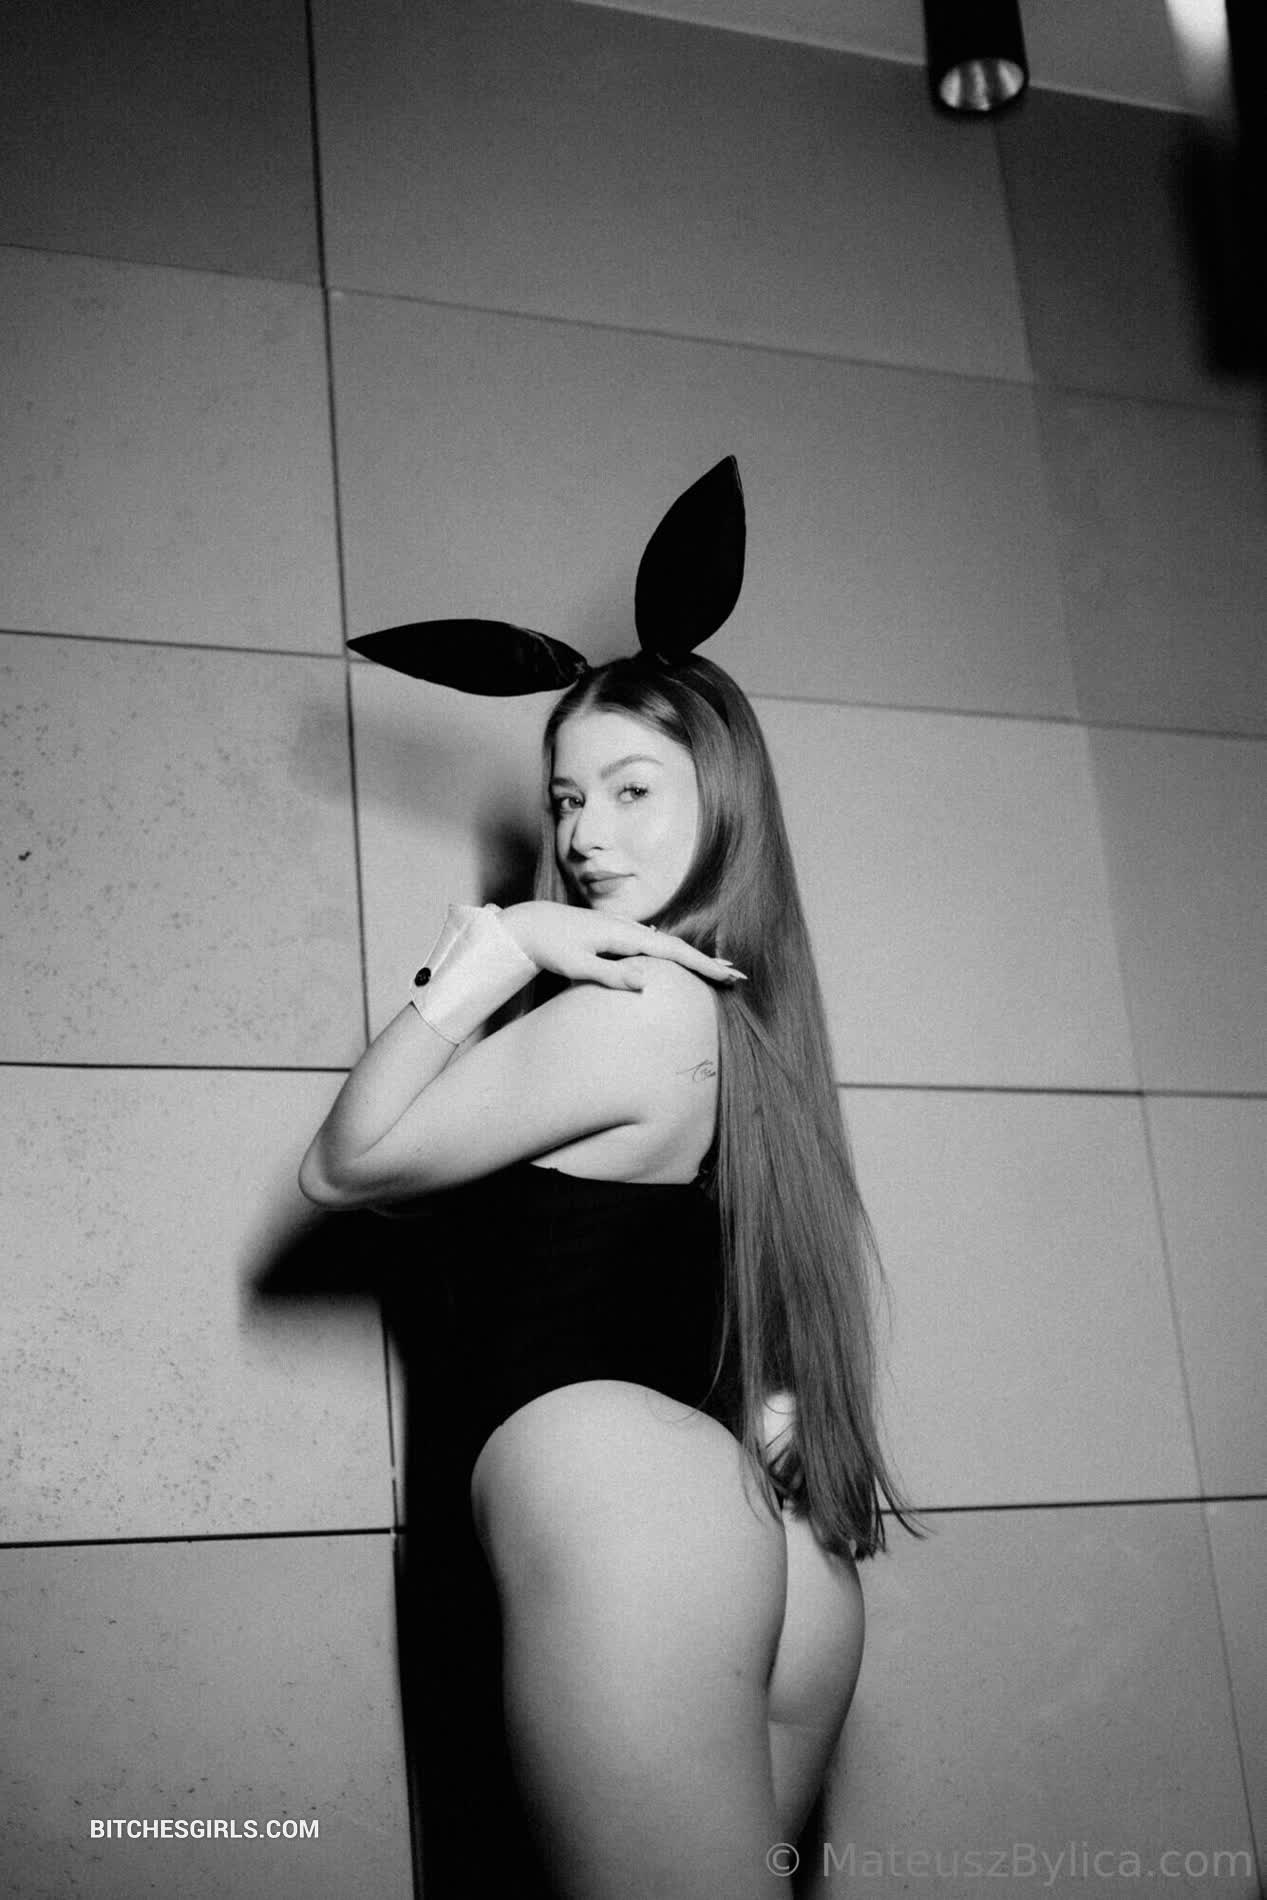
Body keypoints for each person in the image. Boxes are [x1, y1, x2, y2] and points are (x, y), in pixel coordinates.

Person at [299, 462, 919, 1898]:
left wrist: (495, 950)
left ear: (724, 800)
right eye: (568, 798)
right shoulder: (745, 1025)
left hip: (618, 1508)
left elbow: (346, 1165)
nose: (585, 836)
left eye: (635, 791)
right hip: (759, 1534)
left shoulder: (636, 1005)